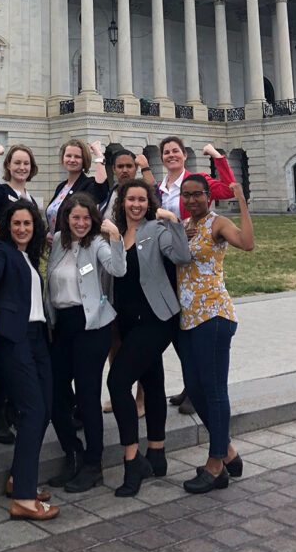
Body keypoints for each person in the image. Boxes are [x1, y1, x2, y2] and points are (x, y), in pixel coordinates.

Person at [107, 179, 191, 497]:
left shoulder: (156, 229)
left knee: (117, 382)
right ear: (122, 201)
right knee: (153, 382)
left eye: (142, 199)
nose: (136, 204)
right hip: (128, 322)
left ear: (150, 202)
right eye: (131, 199)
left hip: (157, 319)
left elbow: (182, 256)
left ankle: (133, 462)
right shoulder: (115, 231)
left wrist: (175, 224)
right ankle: (157, 452)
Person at [0, 201, 59, 522]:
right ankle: (24, 499)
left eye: (27, 224)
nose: (22, 229)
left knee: (45, 408)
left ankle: (19, 478)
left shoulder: (27, 256)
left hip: (38, 337)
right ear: (7, 225)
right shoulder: (1, 251)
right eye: (17, 224)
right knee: (33, 409)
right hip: (15, 338)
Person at [177, 175, 254, 495]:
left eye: (198, 195)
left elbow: (247, 243)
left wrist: (242, 203)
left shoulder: (217, 223)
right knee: (195, 389)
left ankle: (215, 464)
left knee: (214, 390)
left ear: (208, 196)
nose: (192, 200)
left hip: (213, 316)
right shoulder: (183, 226)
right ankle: (229, 452)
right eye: (187, 195)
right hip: (187, 320)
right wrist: (180, 236)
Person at [45, 193, 125, 492]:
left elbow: (118, 269)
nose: (80, 223)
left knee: (88, 395)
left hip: (92, 326)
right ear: (66, 218)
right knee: (55, 393)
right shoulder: (57, 244)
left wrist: (115, 237)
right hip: (63, 325)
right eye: (74, 217)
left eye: (85, 218)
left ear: (93, 220)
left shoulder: (98, 244)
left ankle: (94, 464)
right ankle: (73, 453)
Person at [157, 138, 235, 414]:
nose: (171, 156)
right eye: (166, 152)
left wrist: (216, 155)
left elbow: (227, 190)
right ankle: (191, 385)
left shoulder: (197, 180)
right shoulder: (160, 187)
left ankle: (197, 390)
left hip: (197, 265)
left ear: (184, 155)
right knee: (182, 331)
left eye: (175, 151)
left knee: (195, 331)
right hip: (172, 263)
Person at [0, 143, 43, 446]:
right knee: (8, 345)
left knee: (18, 348)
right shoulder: (3, 191)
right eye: (16, 162)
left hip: (26, 260)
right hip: (5, 260)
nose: (21, 167)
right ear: (9, 166)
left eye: (25, 163)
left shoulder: (30, 197)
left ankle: (13, 409)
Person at [101, 149, 156, 415]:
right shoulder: (111, 195)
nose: (125, 170)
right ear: (114, 169)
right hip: (114, 272)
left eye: (129, 166)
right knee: (115, 337)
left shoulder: (141, 194)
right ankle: (118, 391)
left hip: (140, 272)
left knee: (139, 339)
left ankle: (142, 397)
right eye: (120, 166)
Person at [45, 138, 108, 234]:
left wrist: (98, 154)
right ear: (63, 158)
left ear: (84, 160)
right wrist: (48, 233)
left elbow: (101, 189)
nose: (72, 160)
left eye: (77, 157)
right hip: (56, 246)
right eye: (68, 156)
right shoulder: (61, 187)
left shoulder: (88, 184)